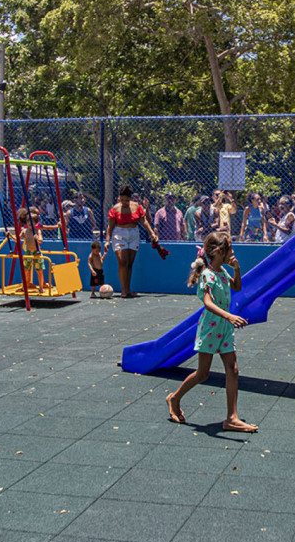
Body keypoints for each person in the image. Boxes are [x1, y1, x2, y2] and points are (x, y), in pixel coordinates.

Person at [164, 232, 257, 432]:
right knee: (203, 373)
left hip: (224, 328)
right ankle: (175, 398)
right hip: (211, 328)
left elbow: (238, 287)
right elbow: (207, 303)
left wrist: (237, 269)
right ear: (218, 251)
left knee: (233, 369)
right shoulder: (208, 274)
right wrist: (229, 316)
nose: (233, 252)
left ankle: (232, 418)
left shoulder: (223, 271)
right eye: (230, 248)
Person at [103, 185, 159, 298]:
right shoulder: (114, 209)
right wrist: (107, 241)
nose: (124, 202)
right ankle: (123, 290)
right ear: (119, 197)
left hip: (133, 234)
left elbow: (144, 222)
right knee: (122, 261)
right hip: (119, 234)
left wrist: (152, 233)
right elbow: (110, 227)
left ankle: (128, 289)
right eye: (122, 200)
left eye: (127, 200)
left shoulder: (137, 207)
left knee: (129, 262)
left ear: (130, 198)